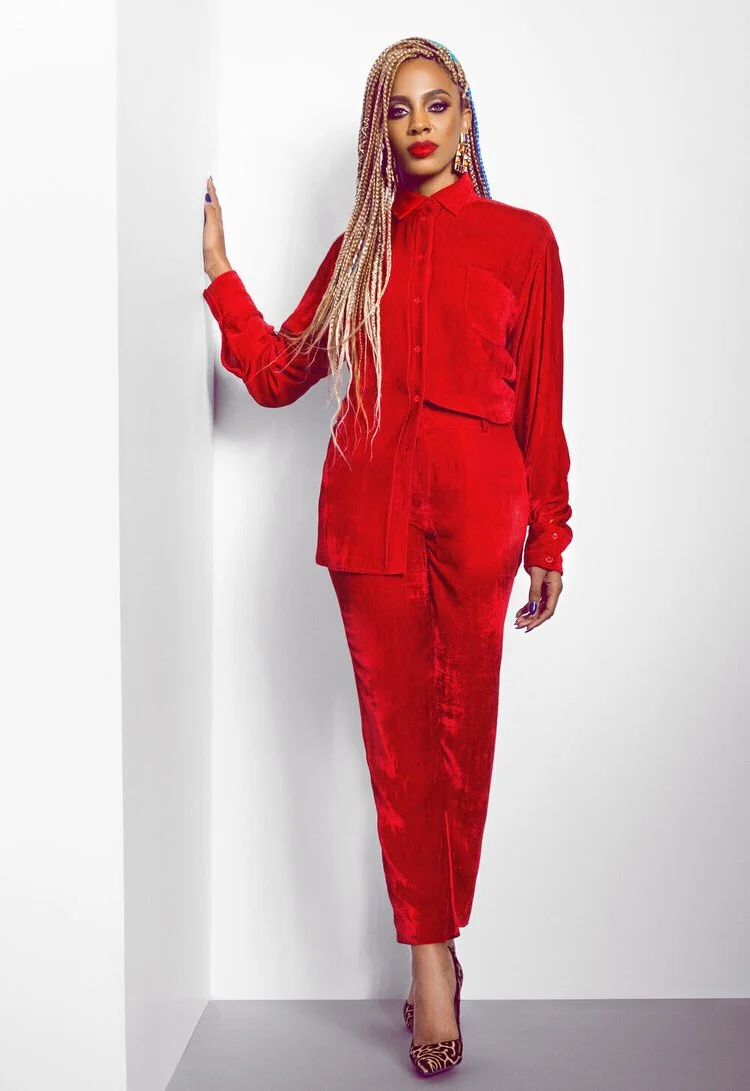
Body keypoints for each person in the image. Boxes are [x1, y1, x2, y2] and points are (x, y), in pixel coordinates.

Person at [202, 36, 573, 1079]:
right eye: (399, 110)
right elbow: (278, 374)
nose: (418, 125)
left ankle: (436, 932)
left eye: (436, 105)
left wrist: (552, 527)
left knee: (467, 740)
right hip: (368, 523)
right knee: (400, 749)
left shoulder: (522, 242)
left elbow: (542, 399)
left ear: (466, 119)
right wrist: (222, 275)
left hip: (481, 516)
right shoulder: (357, 253)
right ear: (382, 131)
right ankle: (430, 959)